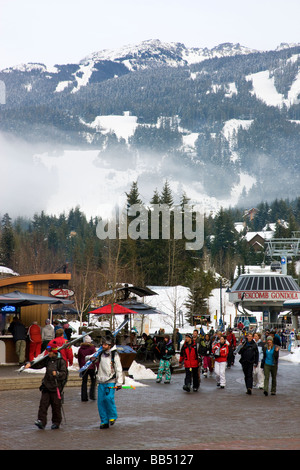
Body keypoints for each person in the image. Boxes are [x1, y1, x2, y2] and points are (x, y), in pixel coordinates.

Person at [24, 343, 68, 430]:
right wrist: (30, 364)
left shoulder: (61, 361)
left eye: (50, 351)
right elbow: (39, 364)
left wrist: (57, 374)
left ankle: (56, 422)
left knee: (56, 406)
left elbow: (64, 374)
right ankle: (41, 421)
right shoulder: (47, 359)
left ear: (54, 352)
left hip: (56, 387)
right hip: (46, 386)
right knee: (43, 405)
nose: (48, 353)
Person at [95, 336, 123, 429]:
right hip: (101, 381)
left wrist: (119, 382)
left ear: (109, 345)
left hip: (111, 380)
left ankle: (112, 416)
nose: (103, 346)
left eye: (105, 344)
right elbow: (89, 358)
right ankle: (104, 421)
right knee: (101, 402)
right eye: (102, 344)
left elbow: (119, 369)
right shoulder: (99, 354)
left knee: (109, 398)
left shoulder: (114, 355)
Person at [77, 335, 97, 401]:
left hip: (84, 367)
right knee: (93, 381)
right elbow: (95, 358)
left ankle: (84, 397)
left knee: (84, 382)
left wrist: (81, 367)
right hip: (91, 367)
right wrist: (97, 365)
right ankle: (92, 395)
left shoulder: (80, 349)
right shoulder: (92, 348)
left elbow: (79, 359)